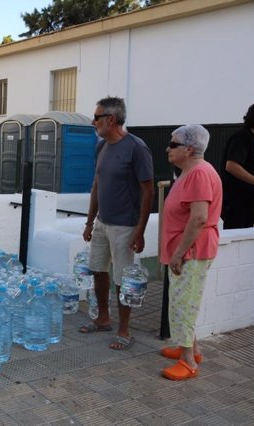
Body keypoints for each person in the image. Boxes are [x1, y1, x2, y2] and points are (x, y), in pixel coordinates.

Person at [80, 96, 154, 351]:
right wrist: (90, 222)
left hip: (125, 226)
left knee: (124, 279)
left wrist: (140, 231)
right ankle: (103, 318)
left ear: (111, 120)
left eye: (97, 117)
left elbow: (148, 190)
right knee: (98, 271)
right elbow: (97, 185)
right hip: (102, 223)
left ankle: (124, 330)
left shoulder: (137, 148)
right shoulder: (102, 147)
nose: (93, 122)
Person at [160, 124, 222, 380]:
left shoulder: (198, 174)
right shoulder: (190, 171)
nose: (167, 148)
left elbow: (199, 218)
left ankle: (188, 362)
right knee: (182, 301)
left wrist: (179, 253)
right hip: (186, 250)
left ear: (189, 149)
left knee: (184, 303)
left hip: (190, 251)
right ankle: (190, 348)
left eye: (173, 144)